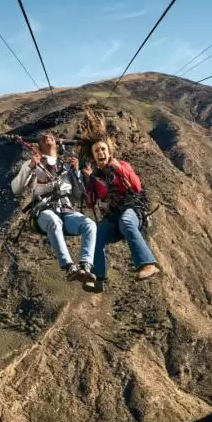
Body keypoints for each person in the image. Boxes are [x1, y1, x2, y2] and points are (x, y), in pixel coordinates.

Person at [79, 109, 160, 289]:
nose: (100, 153)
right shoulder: (95, 177)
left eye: (103, 149)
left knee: (126, 221)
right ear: (93, 156)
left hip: (132, 210)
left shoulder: (122, 165)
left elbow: (136, 186)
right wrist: (87, 179)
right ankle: (97, 278)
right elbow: (90, 202)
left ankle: (148, 264)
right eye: (96, 151)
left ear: (109, 151)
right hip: (112, 218)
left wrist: (118, 167)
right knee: (96, 232)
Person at [10, 131, 97, 283]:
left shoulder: (66, 166)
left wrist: (76, 172)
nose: (47, 136)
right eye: (43, 137)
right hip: (43, 211)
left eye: (50, 136)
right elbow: (16, 189)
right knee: (53, 221)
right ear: (39, 145)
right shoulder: (34, 163)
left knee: (89, 224)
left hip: (66, 210)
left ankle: (86, 265)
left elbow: (77, 195)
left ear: (57, 144)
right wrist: (30, 166)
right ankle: (69, 267)